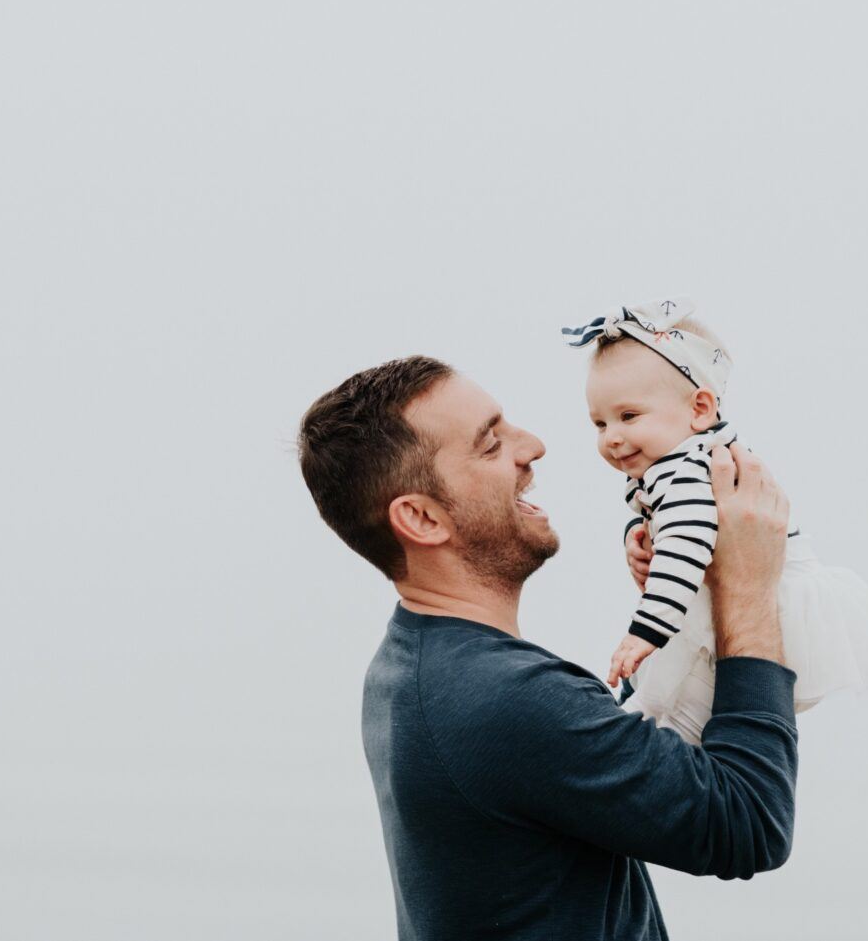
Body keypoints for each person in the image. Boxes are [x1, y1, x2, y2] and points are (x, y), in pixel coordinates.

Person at [298, 355, 798, 941]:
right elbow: (746, 823)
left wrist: (687, 605)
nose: (533, 445)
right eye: (490, 444)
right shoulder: (505, 699)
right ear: (422, 518)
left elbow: (625, 757)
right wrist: (747, 591)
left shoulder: (413, 660)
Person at [564, 300, 868, 744]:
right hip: (742, 596)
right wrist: (638, 538)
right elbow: (670, 526)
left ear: (699, 408)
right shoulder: (688, 458)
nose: (611, 437)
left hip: (760, 596)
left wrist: (643, 633)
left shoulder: (686, 470)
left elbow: (686, 545)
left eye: (628, 416)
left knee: (676, 708)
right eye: (599, 423)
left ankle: (653, 746)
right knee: (681, 699)